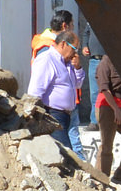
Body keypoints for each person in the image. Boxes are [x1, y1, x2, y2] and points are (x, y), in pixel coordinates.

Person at [29, 12, 87, 161]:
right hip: (53, 115)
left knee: (67, 153)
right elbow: (35, 91)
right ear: (63, 44)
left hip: (66, 115)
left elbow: (77, 84)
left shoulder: (67, 62)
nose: (75, 53)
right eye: (74, 48)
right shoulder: (47, 59)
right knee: (66, 155)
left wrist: (78, 68)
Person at [94, 52, 121, 183]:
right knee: (107, 145)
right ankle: (101, 181)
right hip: (107, 107)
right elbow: (104, 89)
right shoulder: (105, 62)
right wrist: (116, 110)